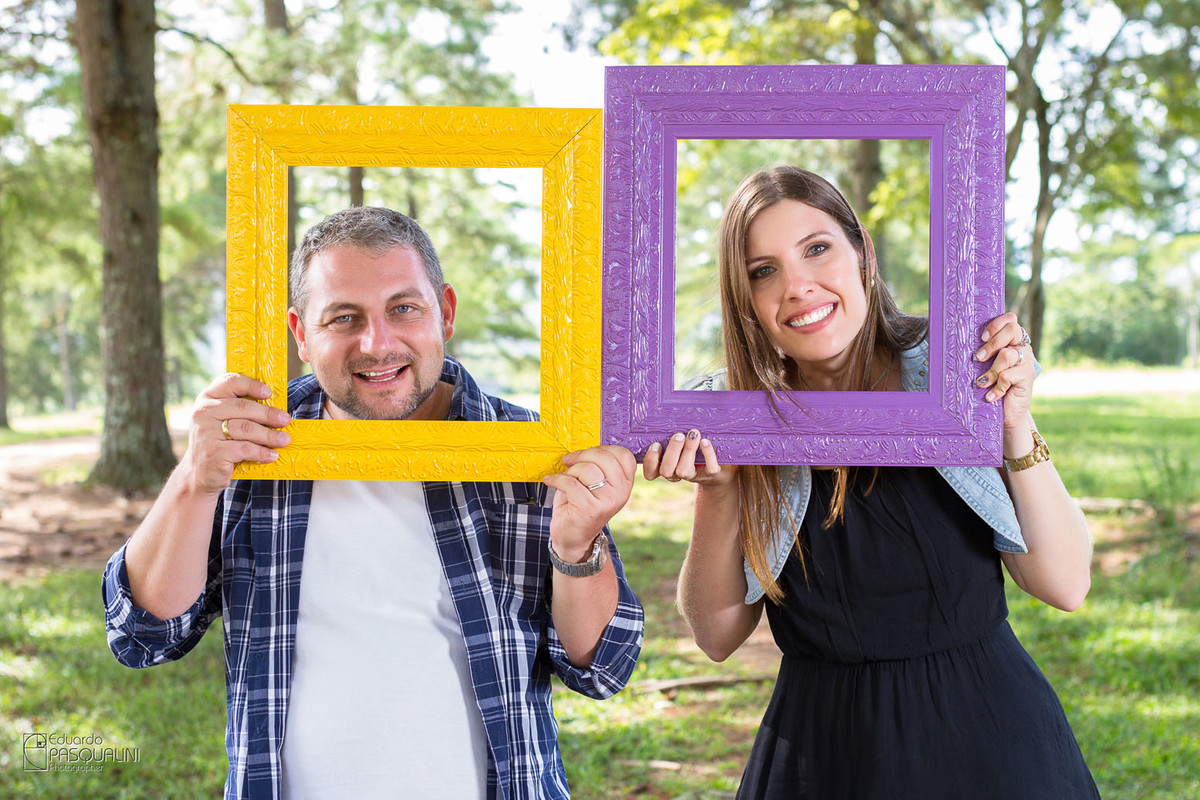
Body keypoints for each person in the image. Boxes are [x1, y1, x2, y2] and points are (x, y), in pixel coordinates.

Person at [102, 206, 644, 800]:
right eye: (343, 317)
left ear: (447, 313)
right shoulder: (250, 453)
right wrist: (193, 481)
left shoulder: (531, 453)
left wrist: (577, 547)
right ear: (301, 335)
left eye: (403, 308)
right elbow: (142, 634)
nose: (377, 343)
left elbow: (602, 668)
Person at [644, 166, 1099, 799]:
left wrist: (1014, 424)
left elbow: (1066, 584)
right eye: (763, 270)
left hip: (989, 743)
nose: (798, 287)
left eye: (817, 249)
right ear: (744, 297)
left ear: (864, 253)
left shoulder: (954, 374)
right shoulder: (740, 418)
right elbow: (717, 636)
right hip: (822, 754)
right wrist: (719, 489)